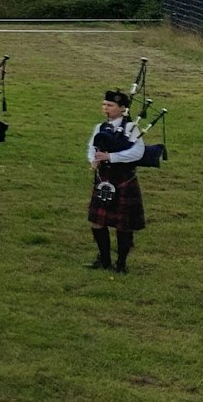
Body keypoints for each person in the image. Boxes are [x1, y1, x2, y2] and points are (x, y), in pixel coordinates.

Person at [87, 90, 146, 273]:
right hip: (103, 177)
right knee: (97, 222)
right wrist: (93, 160)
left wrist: (110, 156)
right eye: (104, 104)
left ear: (123, 109)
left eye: (110, 105)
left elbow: (138, 153)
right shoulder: (100, 127)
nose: (105, 108)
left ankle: (121, 263)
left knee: (123, 225)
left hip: (123, 179)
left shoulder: (131, 129)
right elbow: (91, 147)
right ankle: (104, 260)